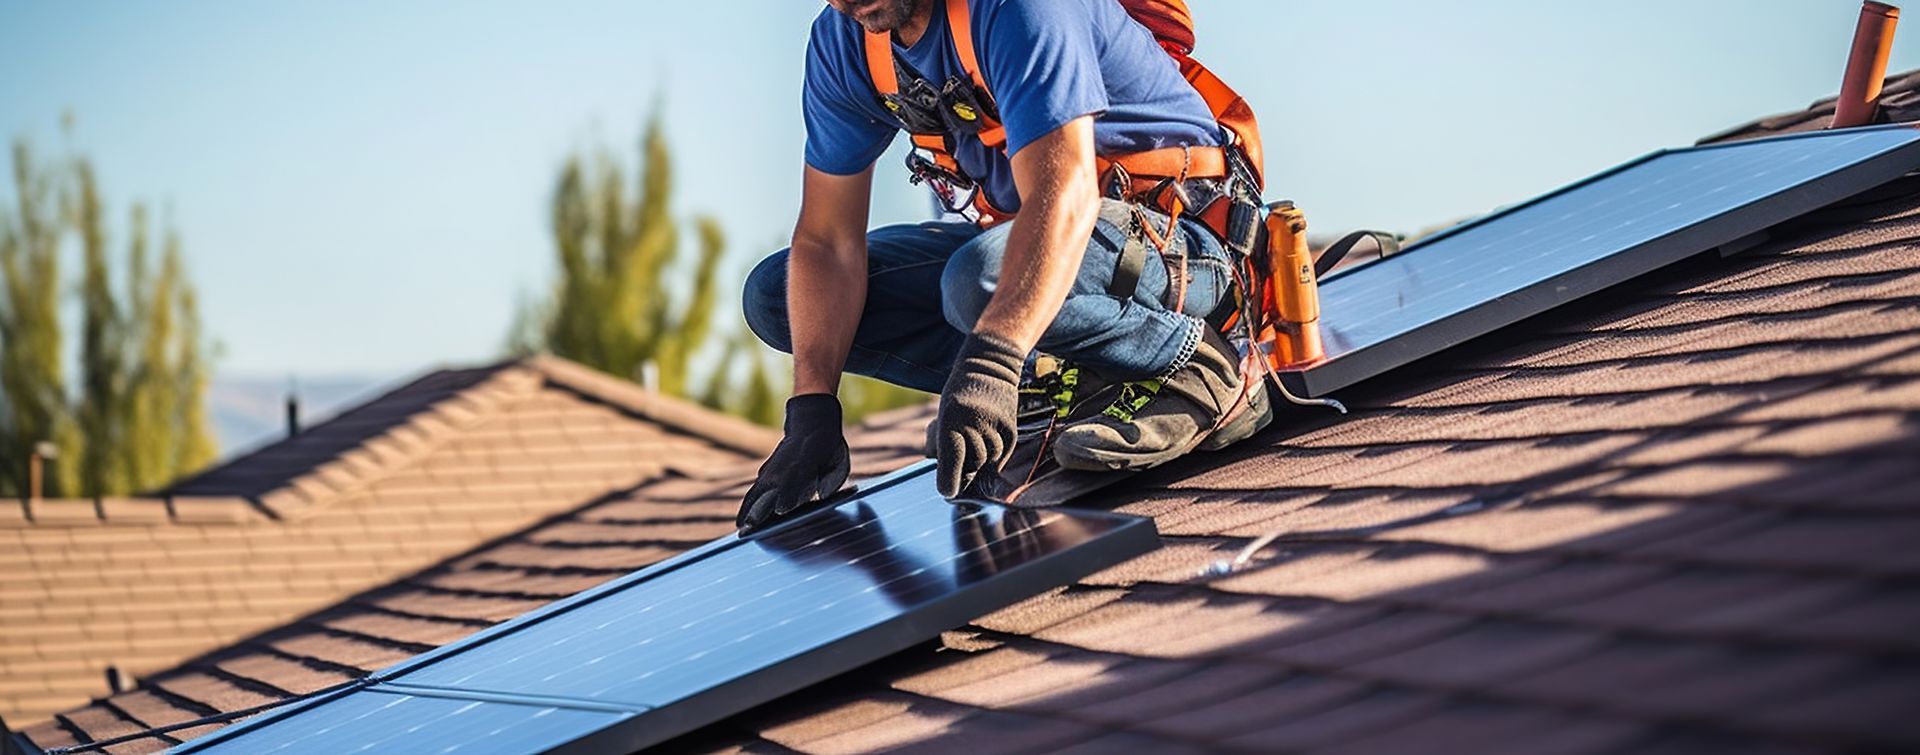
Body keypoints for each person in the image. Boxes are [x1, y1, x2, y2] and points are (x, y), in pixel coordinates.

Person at [736, 0, 1270, 529]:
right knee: (776, 297)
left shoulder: (1020, 8)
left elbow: (1064, 195)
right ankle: (1062, 375)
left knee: (978, 281)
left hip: (1184, 256)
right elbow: (828, 242)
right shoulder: (846, 45)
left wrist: (991, 363)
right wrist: (812, 415)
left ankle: (1199, 364)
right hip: (1048, 265)